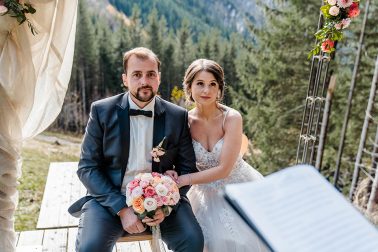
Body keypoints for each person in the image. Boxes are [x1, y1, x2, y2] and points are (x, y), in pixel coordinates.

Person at [68, 47, 204, 252]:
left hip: (162, 201)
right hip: (110, 199)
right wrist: (122, 209)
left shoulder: (177, 116)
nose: (144, 81)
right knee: (90, 248)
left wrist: (166, 206)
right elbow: (87, 168)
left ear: (158, 77)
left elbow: (187, 169)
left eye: (150, 74)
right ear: (125, 79)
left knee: (192, 241)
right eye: (137, 75)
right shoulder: (101, 111)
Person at [165, 59, 268, 252]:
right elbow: (178, 158)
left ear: (220, 88)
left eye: (213, 84)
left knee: (242, 241)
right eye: (200, 84)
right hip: (203, 193)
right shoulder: (183, 121)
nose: (207, 90)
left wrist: (184, 179)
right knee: (200, 241)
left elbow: (224, 169)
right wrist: (171, 173)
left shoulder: (231, 118)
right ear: (189, 87)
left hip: (237, 188)